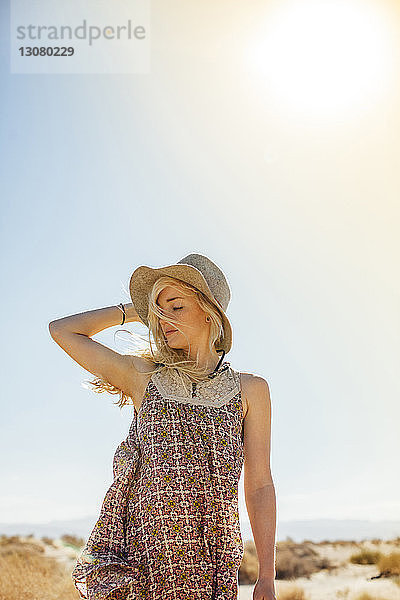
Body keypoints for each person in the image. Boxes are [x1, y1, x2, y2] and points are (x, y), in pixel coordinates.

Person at [49, 252, 277, 600]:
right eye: (158, 310)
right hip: (142, 565)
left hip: (211, 563)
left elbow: (259, 484)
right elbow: (63, 330)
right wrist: (134, 310)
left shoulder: (251, 390)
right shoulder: (144, 378)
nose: (164, 318)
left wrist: (266, 575)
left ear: (208, 310)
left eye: (176, 306)